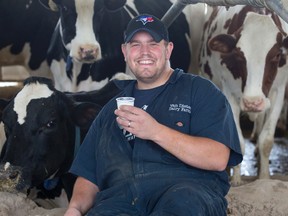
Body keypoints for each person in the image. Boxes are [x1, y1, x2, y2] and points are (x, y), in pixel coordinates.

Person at [64, 14, 243, 216]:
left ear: (168, 49)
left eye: (153, 44)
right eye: (135, 45)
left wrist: (155, 131)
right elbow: (89, 175)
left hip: (187, 195)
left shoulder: (200, 91)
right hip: (120, 201)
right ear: (125, 52)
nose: (144, 52)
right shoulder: (110, 110)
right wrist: (75, 208)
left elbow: (218, 157)